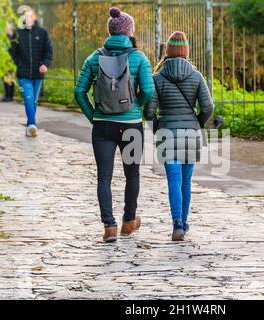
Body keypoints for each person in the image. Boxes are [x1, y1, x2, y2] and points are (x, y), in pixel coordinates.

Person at [74, 7, 155, 243]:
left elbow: (79, 91)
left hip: (103, 128)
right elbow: (149, 90)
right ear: (129, 33)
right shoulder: (139, 58)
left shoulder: (94, 57)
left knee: (104, 178)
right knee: (132, 174)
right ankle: (129, 221)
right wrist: (135, 108)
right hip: (131, 125)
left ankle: (109, 227)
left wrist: (93, 116)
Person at [145, 31, 214, 241]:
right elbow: (208, 106)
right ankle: (183, 223)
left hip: (167, 132)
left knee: (173, 179)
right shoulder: (196, 76)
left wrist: (157, 126)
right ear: (186, 51)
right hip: (191, 134)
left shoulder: (157, 78)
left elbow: (148, 111)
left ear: (167, 52)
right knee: (186, 180)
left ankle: (176, 224)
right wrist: (198, 123)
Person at [12, 8, 53, 137]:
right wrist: (16, 66)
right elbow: (12, 53)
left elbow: (48, 52)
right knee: (28, 98)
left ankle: (30, 126)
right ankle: (32, 124)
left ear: (34, 17)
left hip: (37, 74)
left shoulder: (42, 33)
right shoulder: (17, 33)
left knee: (34, 101)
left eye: (30, 16)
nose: (28, 18)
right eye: (25, 16)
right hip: (23, 74)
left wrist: (45, 64)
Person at [0, 21, 16, 103]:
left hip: (11, 59)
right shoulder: (4, 36)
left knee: (10, 77)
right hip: (4, 59)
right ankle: (7, 95)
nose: (6, 27)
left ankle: (10, 96)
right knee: (5, 78)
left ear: (11, 25)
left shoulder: (14, 36)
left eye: (7, 25)